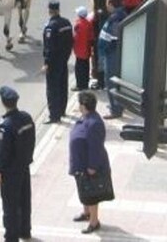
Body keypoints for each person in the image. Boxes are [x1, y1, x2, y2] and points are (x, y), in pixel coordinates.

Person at [0, 86, 35, 242]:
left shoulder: (6, 126)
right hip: (24, 166)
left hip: (10, 172)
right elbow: (31, 140)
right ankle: (25, 231)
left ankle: (11, 237)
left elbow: (2, 152)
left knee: (10, 206)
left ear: (3, 102)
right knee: (25, 200)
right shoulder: (26, 117)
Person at [69, 90, 113, 235]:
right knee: (84, 191)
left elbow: (95, 147)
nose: (78, 106)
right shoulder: (85, 117)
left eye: (80, 103)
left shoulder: (94, 123)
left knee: (91, 194)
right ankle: (86, 212)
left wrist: (92, 166)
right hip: (80, 165)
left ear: (84, 106)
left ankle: (94, 221)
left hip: (90, 167)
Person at [42, 0, 74, 124]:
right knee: (62, 86)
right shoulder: (66, 23)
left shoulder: (51, 26)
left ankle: (54, 115)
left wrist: (46, 63)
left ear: (50, 10)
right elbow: (71, 41)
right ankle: (62, 110)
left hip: (54, 62)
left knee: (52, 89)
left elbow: (49, 47)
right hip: (63, 60)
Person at [98, 0, 128, 119]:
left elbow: (115, 39)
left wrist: (106, 51)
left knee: (111, 82)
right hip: (112, 53)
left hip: (112, 55)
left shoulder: (116, 19)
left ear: (111, 4)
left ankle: (115, 110)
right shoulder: (120, 15)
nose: (106, 6)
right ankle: (117, 105)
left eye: (107, 4)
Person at [71, 6, 93, 92]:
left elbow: (75, 37)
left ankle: (80, 85)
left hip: (79, 50)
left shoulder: (78, 24)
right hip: (86, 50)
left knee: (79, 69)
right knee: (86, 67)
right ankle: (85, 84)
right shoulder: (88, 23)